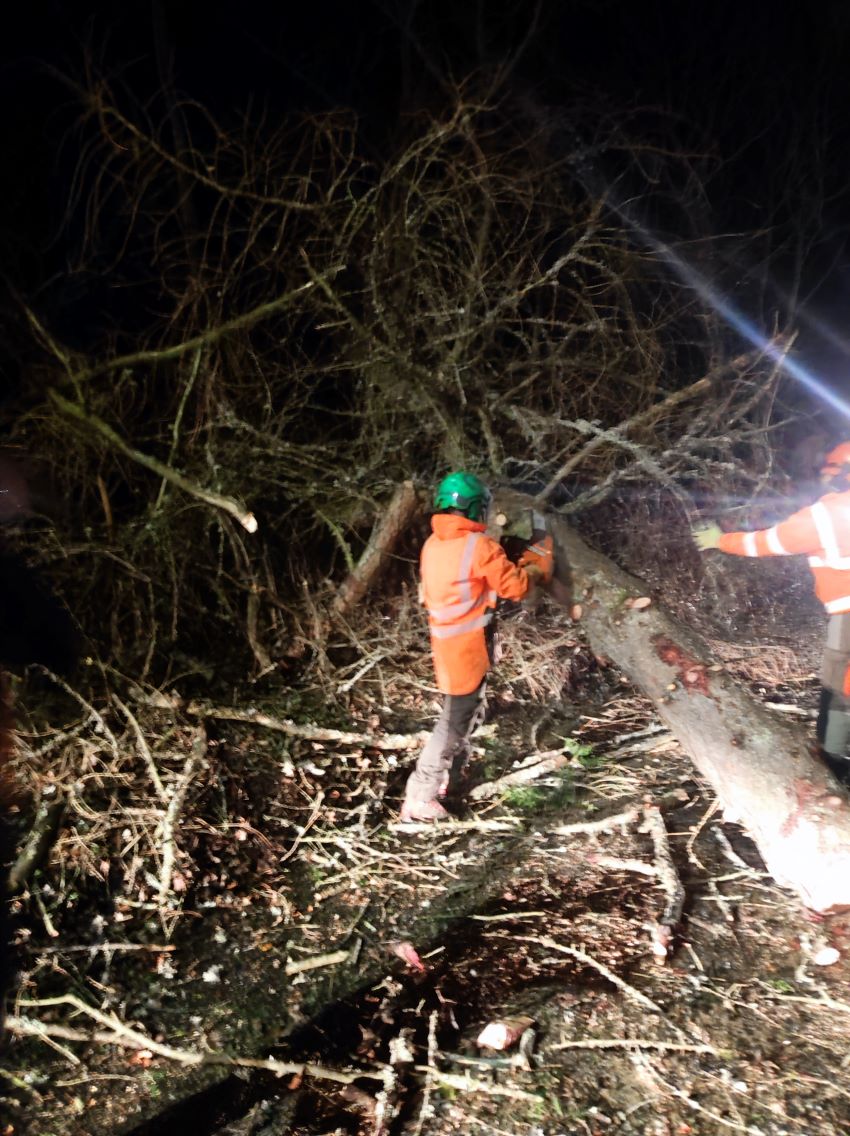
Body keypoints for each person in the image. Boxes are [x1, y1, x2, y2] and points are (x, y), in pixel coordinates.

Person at [692, 440, 850, 784]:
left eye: (828, 472)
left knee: (840, 690)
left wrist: (720, 540)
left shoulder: (828, 515)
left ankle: (835, 768)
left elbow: (769, 542)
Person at [401, 471, 554, 822]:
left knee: (466, 713)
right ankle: (420, 796)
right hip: (466, 649)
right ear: (476, 508)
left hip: (449, 645)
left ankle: (449, 780)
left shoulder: (433, 544)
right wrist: (534, 564)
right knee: (453, 724)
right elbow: (516, 587)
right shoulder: (478, 546)